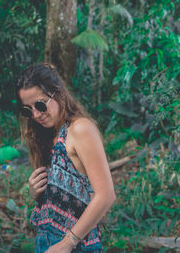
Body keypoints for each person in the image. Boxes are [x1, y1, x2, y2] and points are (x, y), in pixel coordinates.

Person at [15, 63, 116, 253]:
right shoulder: (48, 135)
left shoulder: (80, 129)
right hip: (48, 241)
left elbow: (106, 195)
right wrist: (36, 192)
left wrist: (68, 242)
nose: (36, 115)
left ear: (58, 92)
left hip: (74, 245)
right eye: (28, 110)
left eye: (40, 104)